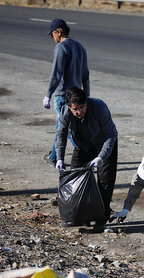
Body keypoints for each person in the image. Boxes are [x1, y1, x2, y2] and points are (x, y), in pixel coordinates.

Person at [55, 87, 118, 225]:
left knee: (105, 182)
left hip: (104, 144)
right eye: (75, 109)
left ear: (86, 103)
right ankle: (80, 216)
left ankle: (102, 218)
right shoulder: (65, 112)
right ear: (69, 107)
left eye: (82, 107)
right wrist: (59, 158)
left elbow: (111, 134)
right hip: (83, 145)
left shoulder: (99, 107)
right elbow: (61, 135)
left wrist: (101, 156)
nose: (79, 112)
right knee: (75, 178)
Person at [43, 18, 90, 165]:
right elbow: (86, 74)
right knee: (61, 126)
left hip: (63, 95)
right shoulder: (80, 47)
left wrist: (48, 94)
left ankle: (85, 154)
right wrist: (86, 94)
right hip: (76, 94)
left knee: (67, 129)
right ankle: (53, 157)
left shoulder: (61, 48)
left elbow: (57, 74)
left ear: (59, 32)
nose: (53, 38)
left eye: (53, 35)